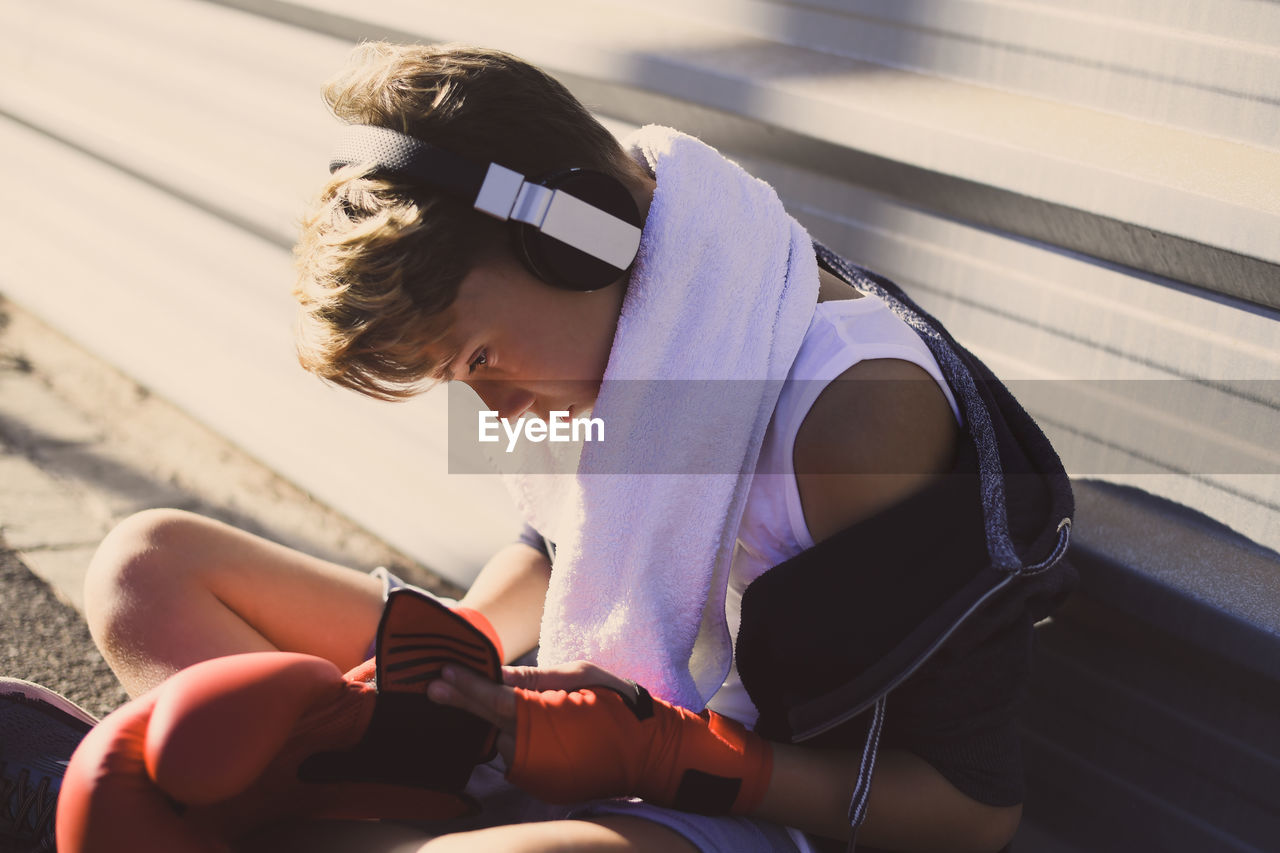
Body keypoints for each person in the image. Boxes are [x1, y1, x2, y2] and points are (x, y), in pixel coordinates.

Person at [78, 42, 1075, 852]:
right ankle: (327, 806)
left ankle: (288, 824)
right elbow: (566, 538)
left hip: (738, 792)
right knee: (145, 567)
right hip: (574, 724)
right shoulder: (651, 317)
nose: (496, 408)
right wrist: (458, 650)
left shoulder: (855, 424)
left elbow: (966, 811)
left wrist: (651, 756)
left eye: (477, 355)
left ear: (581, 238)